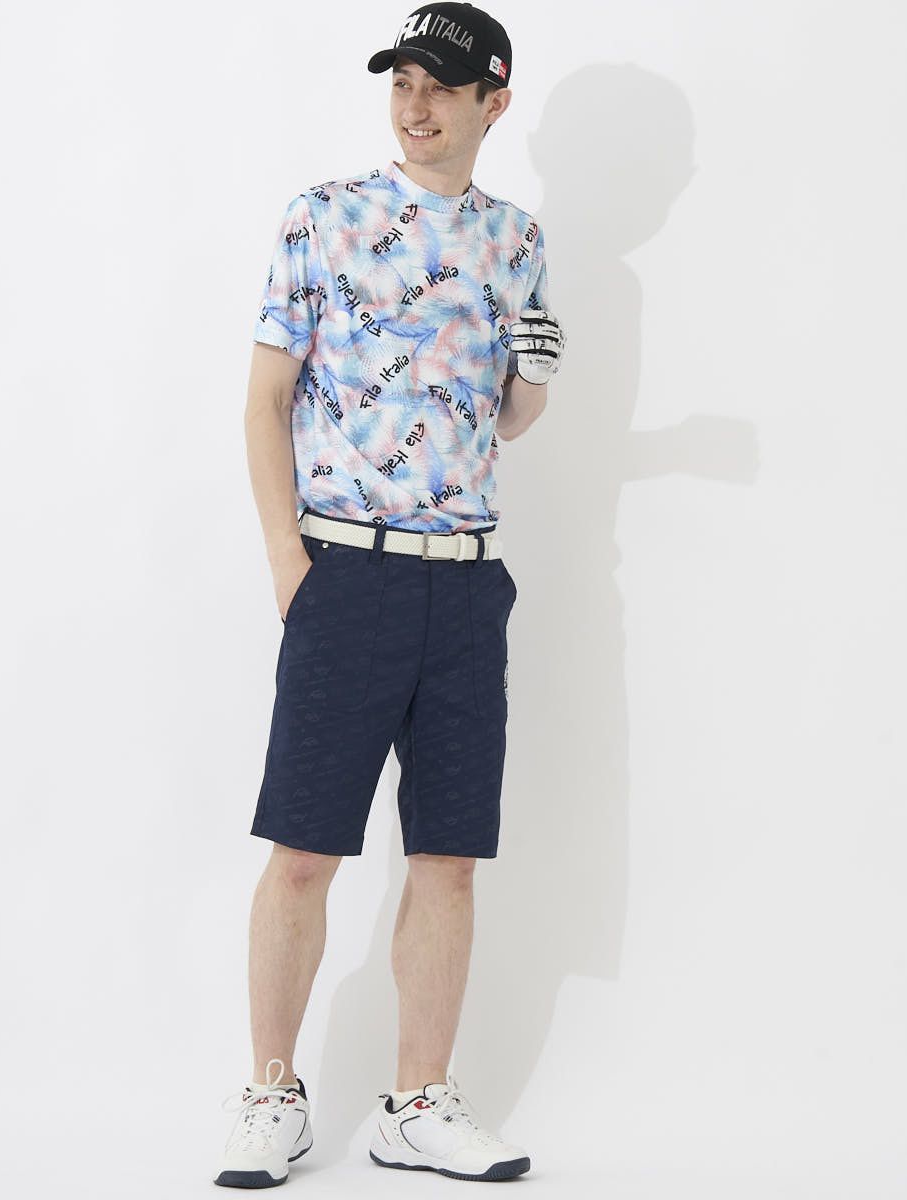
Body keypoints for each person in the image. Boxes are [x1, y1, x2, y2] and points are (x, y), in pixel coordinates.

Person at [215, 2, 566, 1188]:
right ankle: (272, 1094)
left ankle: (417, 1104)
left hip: (465, 584)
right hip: (345, 572)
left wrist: (536, 383)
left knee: (448, 858)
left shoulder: (516, 239)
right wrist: (289, 566)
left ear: (493, 102)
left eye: (441, 88)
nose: (415, 108)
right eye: (402, 82)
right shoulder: (324, 217)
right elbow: (264, 400)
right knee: (304, 851)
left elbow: (502, 421)